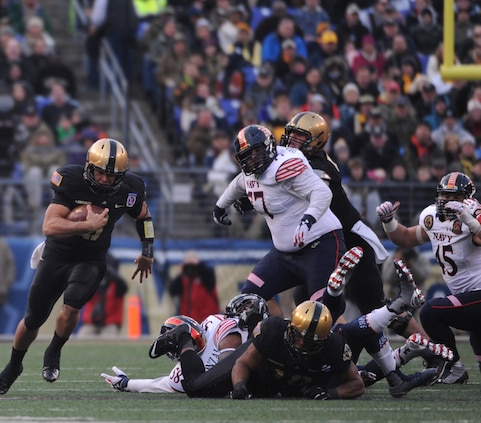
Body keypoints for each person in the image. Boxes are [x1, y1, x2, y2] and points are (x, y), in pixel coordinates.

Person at [149, 247, 437, 400]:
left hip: (289, 374)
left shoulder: (322, 341)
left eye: (309, 339)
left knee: (348, 340)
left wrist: (331, 394)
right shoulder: (265, 331)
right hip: (266, 374)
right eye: (298, 336)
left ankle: (391, 328)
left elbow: (353, 383)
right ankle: (396, 350)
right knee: (196, 387)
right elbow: (239, 362)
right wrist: (238, 387)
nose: (301, 342)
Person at [0, 138, 155, 395]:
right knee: (33, 319)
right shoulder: (71, 179)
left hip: (91, 258)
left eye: (111, 176)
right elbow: (50, 227)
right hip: (58, 255)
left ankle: (54, 349)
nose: (104, 180)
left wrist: (147, 250)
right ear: (89, 167)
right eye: (99, 172)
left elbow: (143, 216)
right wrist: (86, 225)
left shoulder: (131, 188)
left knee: (73, 303)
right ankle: (14, 365)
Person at [279, 111, 425, 337]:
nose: (291, 141)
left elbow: (314, 200)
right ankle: (342, 345)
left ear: (316, 139)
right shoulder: (298, 161)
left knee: (373, 305)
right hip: (327, 241)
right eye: (291, 135)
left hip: (351, 240)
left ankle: (429, 346)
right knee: (308, 297)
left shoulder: (317, 167)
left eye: (299, 136)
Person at [212, 124, 344, 314]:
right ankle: (277, 334)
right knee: (249, 299)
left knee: (321, 312)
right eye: (247, 155)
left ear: (268, 146)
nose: (253, 159)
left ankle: (356, 340)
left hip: (319, 245)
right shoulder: (251, 172)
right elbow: (239, 183)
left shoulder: (284, 166)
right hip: (283, 255)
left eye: (257, 151)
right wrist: (220, 206)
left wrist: (308, 219)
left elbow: (322, 192)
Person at [376, 171, 481, 384]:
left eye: (455, 197)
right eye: (445, 196)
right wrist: (389, 222)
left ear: (468, 199)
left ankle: (454, 366)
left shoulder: (475, 214)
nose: (448, 201)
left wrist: (469, 220)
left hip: (477, 294)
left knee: (431, 312)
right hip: (467, 298)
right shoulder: (431, 217)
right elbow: (405, 237)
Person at [100, 293, 269, 394]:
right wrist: (126, 384)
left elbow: (235, 346)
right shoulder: (182, 371)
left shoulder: (217, 322)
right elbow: (157, 384)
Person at [77, 253, 128, 337]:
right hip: (91, 322)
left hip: (110, 323)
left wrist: (110, 272)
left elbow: (123, 287)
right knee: (81, 337)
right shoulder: (92, 281)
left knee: (109, 337)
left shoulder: (116, 284)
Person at [167, 250, 220, 322]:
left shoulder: (205, 274)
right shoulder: (184, 279)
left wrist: (197, 264)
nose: (190, 269)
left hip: (206, 319)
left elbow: (210, 280)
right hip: (189, 320)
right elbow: (172, 291)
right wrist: (180, 274)